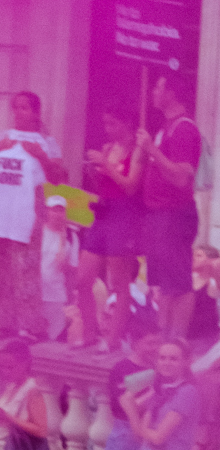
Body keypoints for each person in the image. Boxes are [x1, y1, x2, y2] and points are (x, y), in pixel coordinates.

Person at [0, 92, 65, 342]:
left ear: (36, 112)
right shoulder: (3, 138)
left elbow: (58, 178)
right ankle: (0, 324)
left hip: (26, 213)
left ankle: (32, 327)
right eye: (15, 107)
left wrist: (41, 156)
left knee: (25, 271)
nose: (19, 112)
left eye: (25, 108)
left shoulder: (47, 142)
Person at [135, 72, 202, 339]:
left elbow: (182, 177)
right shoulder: (165, 127)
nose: (153, 91)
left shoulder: (184, 128)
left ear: (172, 92)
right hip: (159, 215)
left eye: (158, 87)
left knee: (179, 283)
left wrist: (152, 150)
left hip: (174, 215)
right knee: (164, 283)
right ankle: (163, 339)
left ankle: (177, 341)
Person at [77, 107, 142, 352]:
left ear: (126, 122)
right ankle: (89, 333)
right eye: (105, 124)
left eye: (113, 123)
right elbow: (103, 185)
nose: (108, 129)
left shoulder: (136, 151)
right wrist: (95, 172)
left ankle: (112, 339)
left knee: (119, 280)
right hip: (102, 214)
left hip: (123, 215)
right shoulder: (107, 148)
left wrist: (106, 165)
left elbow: (131, 186)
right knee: (83, 279)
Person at [124, 336, 200, 450]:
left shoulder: (187, 392)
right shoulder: (159, 390)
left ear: (186, 362)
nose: (166, 363)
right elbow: (139, 434)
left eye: (173, 359)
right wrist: (132, 405)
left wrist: (131, 410)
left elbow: (158, 437)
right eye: (162, 358)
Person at [39, 195, 80, 340]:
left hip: (56, 295)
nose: (57, 214)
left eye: (60, 210)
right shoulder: (37, 232)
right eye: (54, 210)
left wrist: (65, 264)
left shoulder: (71, 236)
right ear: (47, 211)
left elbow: (74, 269)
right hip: (34, 294)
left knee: (52, 337)